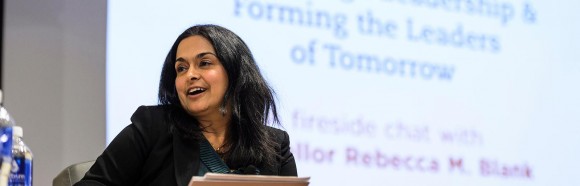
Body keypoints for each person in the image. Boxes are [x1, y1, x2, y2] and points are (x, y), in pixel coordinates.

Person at [75, 24, 297, 185]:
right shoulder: (152, 128)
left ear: (236, 72)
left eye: (204, 63)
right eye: (181, 68)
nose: (190, 74)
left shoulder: (275, 146)